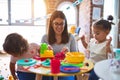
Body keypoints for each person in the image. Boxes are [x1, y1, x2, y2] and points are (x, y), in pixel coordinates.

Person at [41, 10, 78, 80]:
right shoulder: (45, 38)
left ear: (65, 24)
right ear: (52, 24)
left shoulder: (71, 37)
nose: (59, 27)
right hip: (49, 70)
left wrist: (68, 54)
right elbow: (42, 59)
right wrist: (46, 53)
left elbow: (75, 58)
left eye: (62, 24)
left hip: (66, 69)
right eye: (56, 24)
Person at [80, 15, 115, 80]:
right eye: (94, 33)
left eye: (97, 33)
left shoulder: (107, 44)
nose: (95, 35)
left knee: (92, 77)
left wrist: (107, 47)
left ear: (107, 32)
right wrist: (83, 41)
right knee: (79, 69)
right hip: (90, 64)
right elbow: (87, 47)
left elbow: (110, 57)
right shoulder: (93, 41)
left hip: (100, 67)